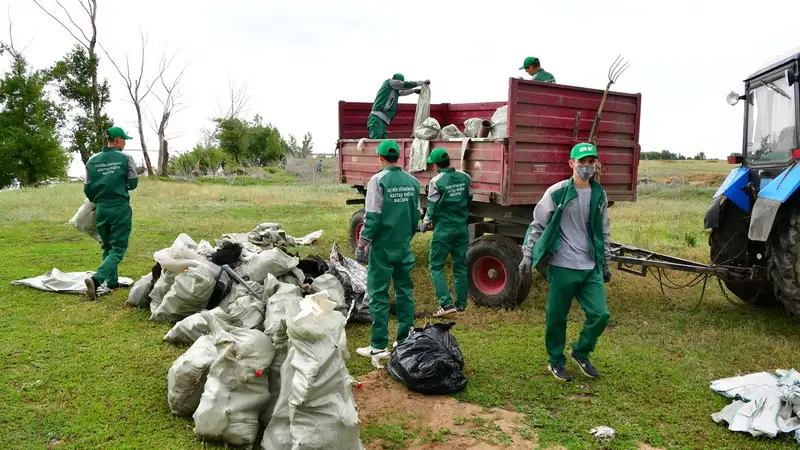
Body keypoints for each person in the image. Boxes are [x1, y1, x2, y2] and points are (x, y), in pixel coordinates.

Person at [519, 142, 611, 382]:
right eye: (582, 162)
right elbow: (537, 225)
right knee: (557, 316)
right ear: (571, 163)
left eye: (591, 162)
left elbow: (604, 230)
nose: (587, 167)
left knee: (600, 314)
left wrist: (606, 262)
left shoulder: (599, 194)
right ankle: (556, 361)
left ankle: (580, 351)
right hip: (562, 264)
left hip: (590, 266)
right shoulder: (556, 192)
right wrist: (527, 255)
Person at [355, 139, 421, 359]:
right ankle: (405, 341)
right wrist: (407, 236)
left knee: (379, 294)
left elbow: (372, 217)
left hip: (382, 247)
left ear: (380, 158)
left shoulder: (378, 180)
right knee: (405, 292)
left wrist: (363, 243)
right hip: (403, 245)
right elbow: (415, 216)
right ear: (399, 157)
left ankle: (379, 345)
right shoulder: (412, 181)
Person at [83, 126, 139, 300]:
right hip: (119, 208)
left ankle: (112, 281)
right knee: (118, 248)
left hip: (101, 209)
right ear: (116, 140)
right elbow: (133, 184)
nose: (124, 143)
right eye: (123, 140)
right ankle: (97, 279)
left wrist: (99, 199)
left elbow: (87, 188)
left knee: (107, 246)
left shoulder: (92, 160)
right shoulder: (126, 158)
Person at [419, 148, 473, 317]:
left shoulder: (437, 181)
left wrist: (425, 223)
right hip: (462, 228)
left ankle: (446, 303)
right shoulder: (465, 177)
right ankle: (461, 305)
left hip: (444, 229)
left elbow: (432, 206)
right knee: (460, 266)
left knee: (436, 265)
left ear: (435, 165)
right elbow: (469, 197)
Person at [368, 74, 430, 139]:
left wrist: (413, 91)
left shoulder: (393, 90)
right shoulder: (390, 82)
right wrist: (422, 82)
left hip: (383, 120)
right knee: (376, 140)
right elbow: (405, 85)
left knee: (382, 141)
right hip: (377, 118)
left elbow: (402, 92)